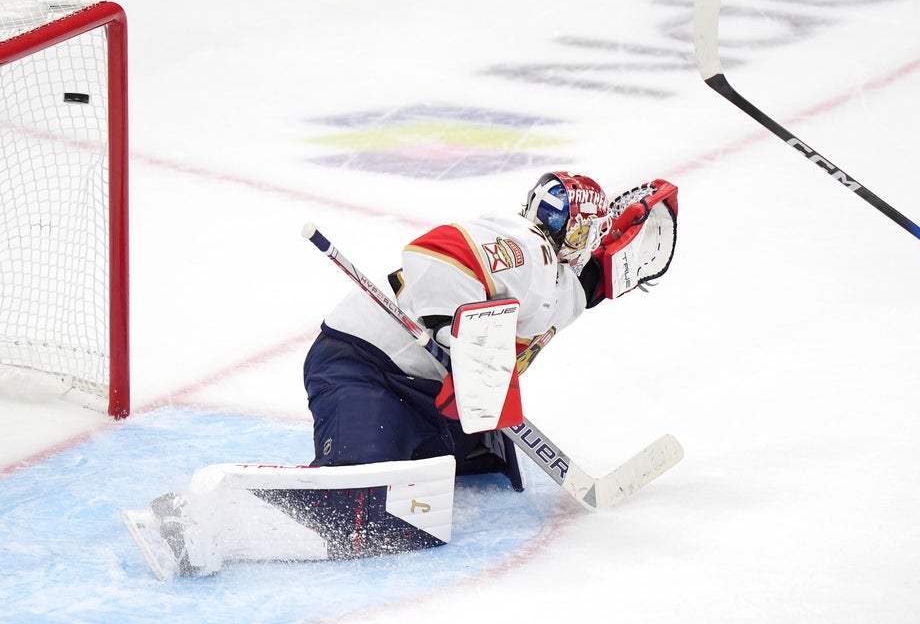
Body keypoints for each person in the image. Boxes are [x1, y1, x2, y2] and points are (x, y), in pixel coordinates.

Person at [125, 171, 680, 580]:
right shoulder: (523, 245)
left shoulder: (558, 283)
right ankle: (200, 518)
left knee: (485, 462)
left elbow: (583, 290)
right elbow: (438, 252)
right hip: (362, 365)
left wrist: (608, 272)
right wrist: (450, 332)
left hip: (423, 387)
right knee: (360, 494)